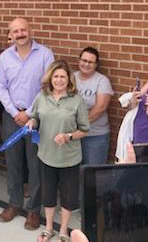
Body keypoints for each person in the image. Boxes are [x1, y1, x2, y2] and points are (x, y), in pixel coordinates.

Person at [0, 17, 53, 230]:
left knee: (35, 165)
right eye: (16, 31)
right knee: (13, 163)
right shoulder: (5, 57)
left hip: (36, 118)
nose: (20, 34)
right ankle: (14, 203)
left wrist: (28, 113)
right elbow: (0, 87)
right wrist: (13, 111)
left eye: (23, 30)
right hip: (12, 117)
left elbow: (48, 87)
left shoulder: (45, 54)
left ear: (30, 30)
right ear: (11, 34)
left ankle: (33, 210)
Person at [25, 60, 90, 242]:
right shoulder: (42, 97)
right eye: (56, 76)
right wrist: (31, 122)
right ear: (50, 78)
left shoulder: (76, 100)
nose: (59, 80)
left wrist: (68, 136)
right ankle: (48, 228)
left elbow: (85, 130)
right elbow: (36, 117)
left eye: (63, 76)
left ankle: (62, 230)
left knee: (68, 197)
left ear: (69, 79)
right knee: (48, 194)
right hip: (46, 155)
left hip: (69, 158)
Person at [73, 47, 114, 164]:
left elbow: (100, 108)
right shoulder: (71, 78)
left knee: (93, 176)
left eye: (90, 62)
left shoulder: (102, 81)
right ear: (79, 60)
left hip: (95, 136)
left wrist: (79, 124)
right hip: (73, 137)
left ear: (96, 65)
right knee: (74, 174)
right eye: (84, 60)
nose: (86, 64)